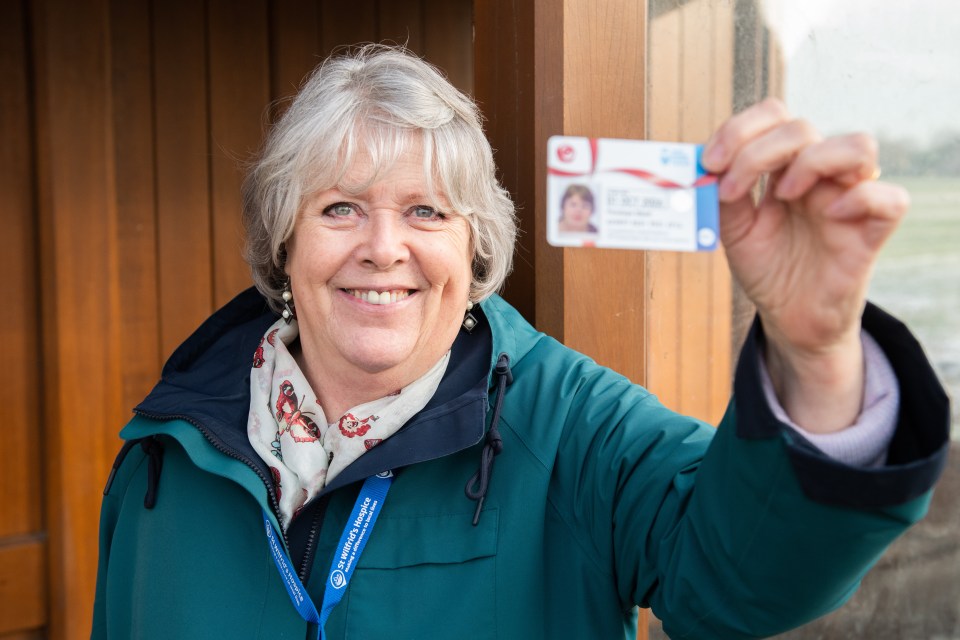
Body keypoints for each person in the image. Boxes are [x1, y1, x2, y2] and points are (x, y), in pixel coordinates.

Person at [92, 45, 949, 639]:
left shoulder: (574, 427)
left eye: (427, 210)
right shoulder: (169, 455)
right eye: (339, 207)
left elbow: (743, 578)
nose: (383, 247)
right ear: (285, 243)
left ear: (477, 247)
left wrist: (814, 350)